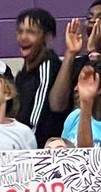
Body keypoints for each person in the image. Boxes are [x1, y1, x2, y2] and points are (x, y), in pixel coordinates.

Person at [14, 8, 67, 146]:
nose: (23, 37)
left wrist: (22, 149)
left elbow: (35, 120)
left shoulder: (48, 67)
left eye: (31, 32)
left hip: (40, 151)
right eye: (20, 31)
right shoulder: (22, 75)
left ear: (47, 37)